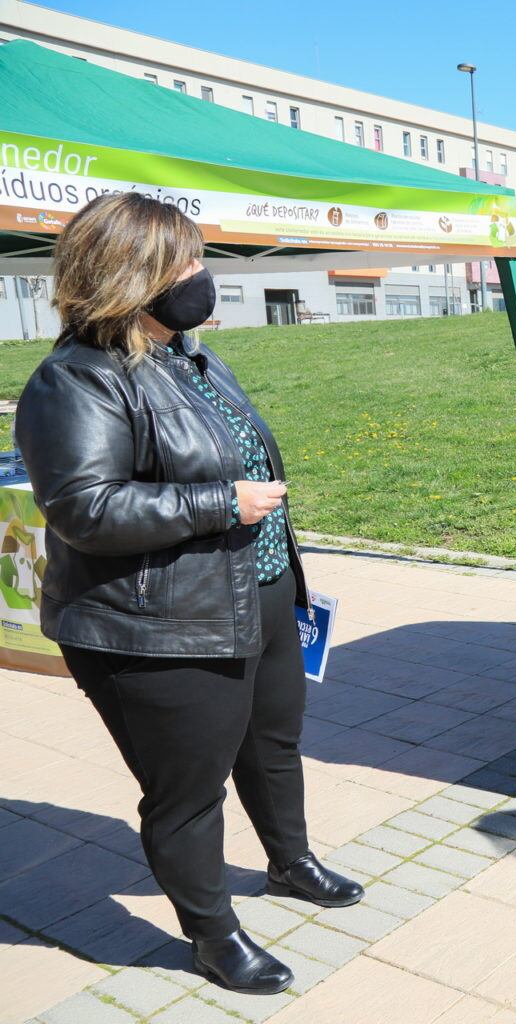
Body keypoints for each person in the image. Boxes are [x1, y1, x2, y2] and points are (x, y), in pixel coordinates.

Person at [15, 193, 363, 996]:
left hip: (259, 590)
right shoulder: (74, 380)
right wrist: (221, 504)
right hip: (159, 623)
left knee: (272, 745)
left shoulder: (189, 356)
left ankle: (290, 862)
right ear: (129, 274)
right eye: (189, 262)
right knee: (187, 791)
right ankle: (214, 935)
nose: (203, 277)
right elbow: (83, 509)